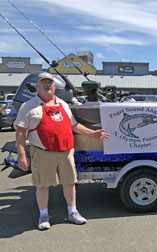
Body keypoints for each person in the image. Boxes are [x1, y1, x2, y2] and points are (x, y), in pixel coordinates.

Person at [15, 72, 110, 230]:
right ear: (37, 86)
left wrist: (92, 133)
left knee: (69, 183)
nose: (47, 85)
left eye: (50, 83)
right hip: (42, 153)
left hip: (66, 152)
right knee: (42, 185)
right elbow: (20, 132)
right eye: (43, 82)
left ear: (55, 86)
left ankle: (72, 212)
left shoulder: (63, 104)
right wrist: (22, 155)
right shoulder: (29, 106)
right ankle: (44, 215)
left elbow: (74, 126)